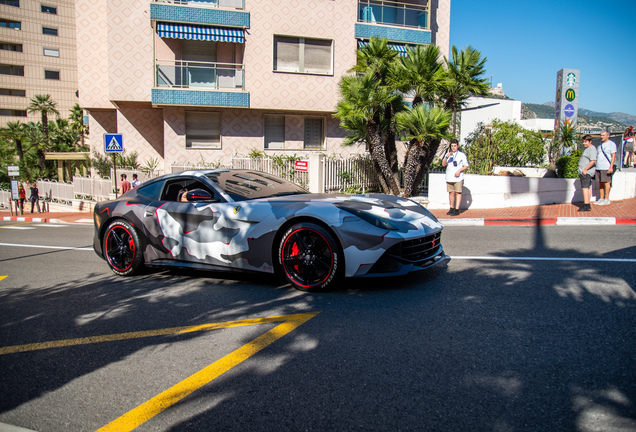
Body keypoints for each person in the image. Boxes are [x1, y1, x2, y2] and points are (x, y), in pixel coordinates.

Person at [441, 139, 469, 216]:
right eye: (452, 146)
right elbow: (443, 164)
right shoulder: (448, 155)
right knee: (451, 193)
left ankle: (457, 209)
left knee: (458, 192)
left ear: (457, 146)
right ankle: (451, 208)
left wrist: (459, 171)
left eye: (455, 146)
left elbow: (466, 165)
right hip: (449, 177)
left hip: (458, 177)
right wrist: (447, 157)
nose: (453, 147)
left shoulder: (461, 155)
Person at [594, 130, 616, 205]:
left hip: (606, 166)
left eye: (603, 135)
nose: (601, 137)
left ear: (608, 135)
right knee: (600, 182)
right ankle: (601, 198)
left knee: (607, 182)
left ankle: (607, 199)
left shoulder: (611, 144)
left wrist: (611, 167)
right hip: (599, 166)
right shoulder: (600, 146)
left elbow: (613, 156)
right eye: (601, 135)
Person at [577, 135, 596, 212]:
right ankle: (587, 203)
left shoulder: (592, 149)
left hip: (586, 172)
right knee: (587, 187)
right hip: (585, 172)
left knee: (585, 188)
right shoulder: (588, 149)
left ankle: (586, 205)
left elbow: (593, 160)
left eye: (585, 142)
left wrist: (585, 169)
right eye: (583, 142)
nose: (584, 143)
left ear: (590, 141)